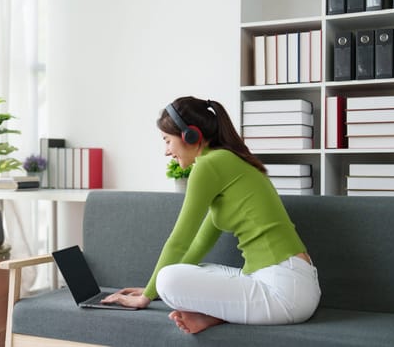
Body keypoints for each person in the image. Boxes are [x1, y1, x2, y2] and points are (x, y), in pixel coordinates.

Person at [101, 96, 321, 334]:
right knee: (195, 269)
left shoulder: (209, 165)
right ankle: (213, 316)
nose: (166, 152)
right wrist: (150, 289)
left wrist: (147, 296)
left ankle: (215, 312)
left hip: (286, 291)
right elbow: (198, 244)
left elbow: (179, 241)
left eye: (167, 141)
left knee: (169, 278)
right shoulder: (225, 161)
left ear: (190, 135)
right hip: (289, 281)